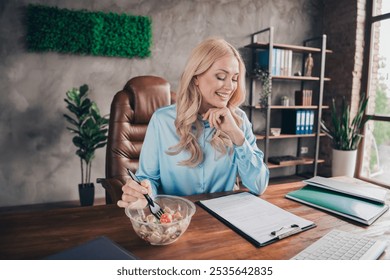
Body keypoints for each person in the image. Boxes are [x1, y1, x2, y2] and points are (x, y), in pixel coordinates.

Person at [117, 38, 269, 209]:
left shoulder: (238, 120)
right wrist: (143, 193)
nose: (230, 87)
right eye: (221, 77)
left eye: (234, 79)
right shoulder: (162, 121)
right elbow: (149, 178)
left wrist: (237, 135)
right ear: (196, 77)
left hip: (223, 219)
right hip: (175, 218)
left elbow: (259, 185)